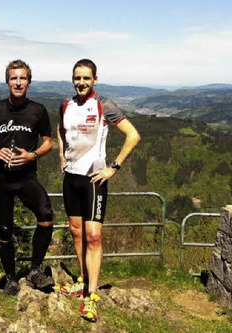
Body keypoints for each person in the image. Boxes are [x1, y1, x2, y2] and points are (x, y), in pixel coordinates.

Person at [57, 58, 141, 322]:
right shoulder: (66, 105)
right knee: (76, 233)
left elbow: (133, 135)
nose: (81, 82)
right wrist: (62, 157)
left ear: (95, 80)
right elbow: (60, 131)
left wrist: (113, 167)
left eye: (86, 78)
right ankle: (82, 282)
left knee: (93, 237)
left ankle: (91, 295)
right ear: (73, 79)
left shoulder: (103, 104)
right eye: (77, 78)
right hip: (71, 179)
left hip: (95, 180)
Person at [0, 59, 55, 296]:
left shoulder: (38, 111)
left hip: (26, 177)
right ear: (7, 81)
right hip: (1, 178)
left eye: (22, 78)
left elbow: (48, 142)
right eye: (14, 78)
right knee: (4, 230)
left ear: (29, 82)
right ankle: (11, 279)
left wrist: (31, 155)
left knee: (46, 215)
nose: (18, 82)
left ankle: (34, 271)